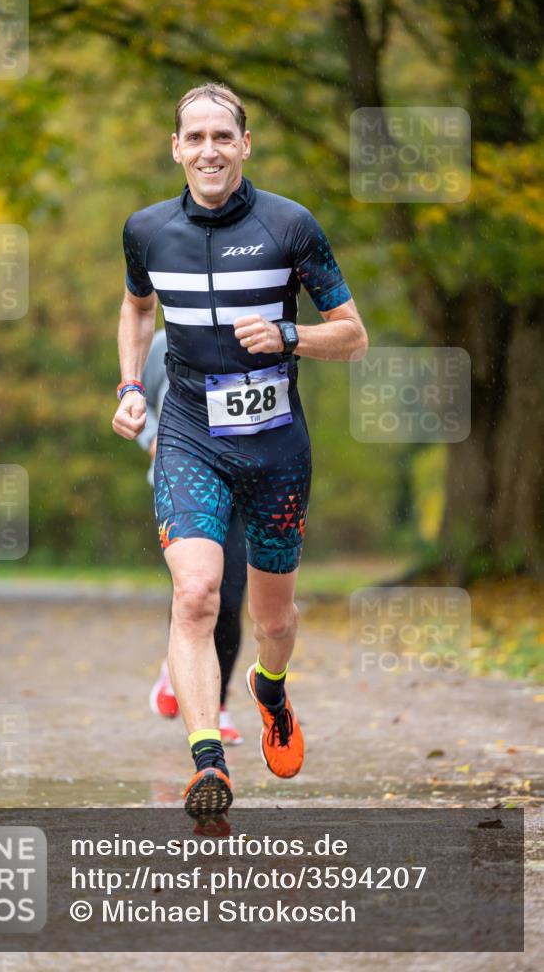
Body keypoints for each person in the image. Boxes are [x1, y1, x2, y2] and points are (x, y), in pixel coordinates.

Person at [112, 82, 368, 821]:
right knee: (195, 592)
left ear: (245, 145)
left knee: (273, 622)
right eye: (194, 137)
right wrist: (130, 386)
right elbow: (135, 308)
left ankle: (269, 688)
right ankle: (207, 761)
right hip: (189, 434)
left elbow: (353, 336)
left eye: (222, 136)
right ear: (175, 149)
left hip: (276, 446)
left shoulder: (290, 225)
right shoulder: (147, 230)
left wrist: (290, 336)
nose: (209, 150)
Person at [138, 329, 246, 746]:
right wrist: (153, 438)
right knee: (195, 589)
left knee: (230, 599)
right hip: (184, 481)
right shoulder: (164, 342)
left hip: (243, 481)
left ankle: (218, 702)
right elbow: (136, 397)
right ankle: (179, 671)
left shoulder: (255, 336)